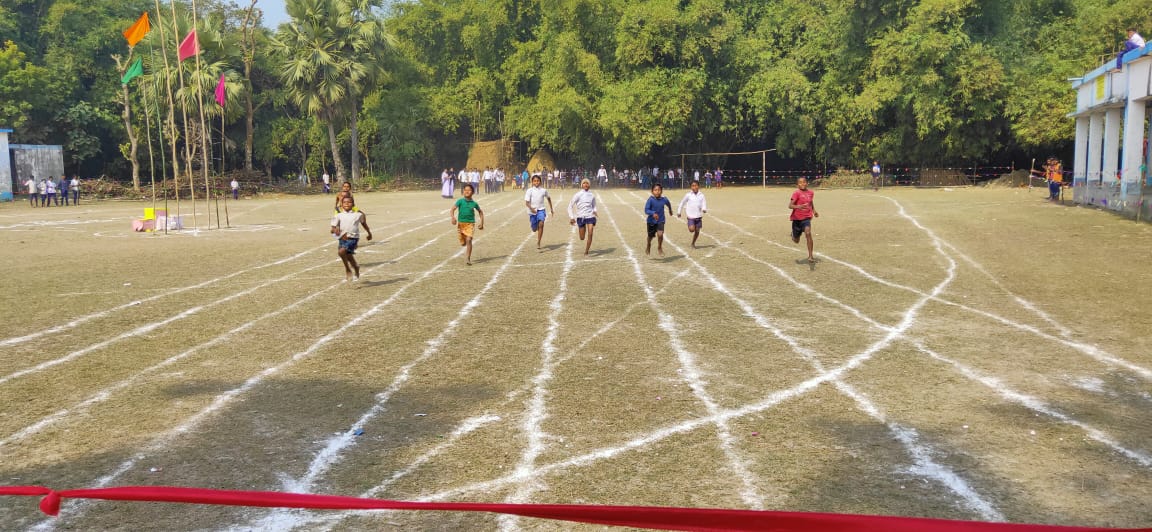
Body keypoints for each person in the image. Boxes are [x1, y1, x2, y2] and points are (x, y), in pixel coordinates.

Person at [331, 195, 372, 282]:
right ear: (341, 204)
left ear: (353, 204)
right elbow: (332, 229)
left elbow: (364, 224)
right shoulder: (338, 215)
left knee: (341, 252)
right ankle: (356, 267)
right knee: (348, 256)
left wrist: (369, 233)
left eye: (349, 202)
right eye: (344, 202)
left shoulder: (358, 215)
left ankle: (347, 269)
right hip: (342, 238)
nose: (347, 204)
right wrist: (337, 232)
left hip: (353, 238)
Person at [451, 183, 484, 266]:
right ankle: (464, 242)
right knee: (463, 243)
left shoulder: (474, 203)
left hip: (470, 224)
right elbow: (452, 209)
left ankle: (468, 258)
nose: (467, 191)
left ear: (472, 192)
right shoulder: (460, 201)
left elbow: (480, 212)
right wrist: (453, 218)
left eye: (469, 190)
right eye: (465, 190)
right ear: (463, 192)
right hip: (461, 225)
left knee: (469, 240)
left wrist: (481, 223)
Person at [789, 177, 819, 263]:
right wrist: (799, 206)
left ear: (807, 183)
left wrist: (814, 211)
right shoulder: (796, 193)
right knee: (796, 241)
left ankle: (810, 256)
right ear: (797, 184)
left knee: (808, 233)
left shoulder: (811, 193)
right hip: (797, 219)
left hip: (806, 218)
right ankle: (793, 235)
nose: (802, 184)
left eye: (804, 182)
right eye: (800, 182)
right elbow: (790, 205)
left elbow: (810, 202)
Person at [568, 178, 598, 256]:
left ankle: (586, 251)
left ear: (589, 185)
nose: (586, 184)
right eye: (584, 183)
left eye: (587, 183)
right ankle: (583, 234)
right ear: (581, 185)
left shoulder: (592, 195)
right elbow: (570, 206)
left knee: (590, 233)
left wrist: (595, 211)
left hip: (590, 216)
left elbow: (594, 205)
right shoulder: (578, 195)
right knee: (582, 237)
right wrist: (572, 217)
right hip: (581, 217)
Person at [524, 174, 554, 250]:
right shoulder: (529, 191)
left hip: (541, 210)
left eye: (538, 181)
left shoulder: (543, 190)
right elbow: (527, 203)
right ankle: (535, 226)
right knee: (534, 229)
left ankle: (539, 242)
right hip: (532, 211)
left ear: (540, 182)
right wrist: (531, 209)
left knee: (541, 224)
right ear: (532, 182)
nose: (536, 182)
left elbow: (549, 198)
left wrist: (551, 209)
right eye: (535, 181)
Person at [644, 183, 673, 257]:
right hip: (651, 221)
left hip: (660, 220)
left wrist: (670, 210)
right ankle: (648, 245)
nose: (657, 191)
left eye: (659, 190)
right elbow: (646, 210)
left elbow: (668, 203)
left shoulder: (664, 199)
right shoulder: (650, 200)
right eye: (655, 190)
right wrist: (653, 213)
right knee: (650, 237)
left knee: (660, 234)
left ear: (661, 191)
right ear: (652, 191)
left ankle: (659, 247)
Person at [677, 179, 708, 249]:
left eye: (696, 185)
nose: (694, 187)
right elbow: (682, 203)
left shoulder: (701, 195)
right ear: (691, 187)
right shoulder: (688, 195)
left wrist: (704, 208)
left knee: (697, 231)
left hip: (698, 216)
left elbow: (704, 203)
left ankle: (693, 243)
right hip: (691, 216)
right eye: (692, 186)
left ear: (698, 186)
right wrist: (679, 212)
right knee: (691, 229)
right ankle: (690, 223)